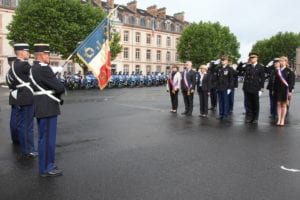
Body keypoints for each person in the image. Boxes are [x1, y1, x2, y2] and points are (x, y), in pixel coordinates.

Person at [30, 44, 65, 177]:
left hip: (41, 105)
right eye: (47, 54)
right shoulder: (44, 69)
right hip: (48, 106)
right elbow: (60, 88)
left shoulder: (34, 68)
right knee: (48, 139)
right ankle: (47, 167)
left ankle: (44, 166)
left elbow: (44, 83)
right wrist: (57, 80)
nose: (49, 56)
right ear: (41, 56)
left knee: (43, 138)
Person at [6, 43, 37, 158]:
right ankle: (28, 150)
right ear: (22, 52)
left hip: (20, 96)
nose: (28, 53)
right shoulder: (24, 65)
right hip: (27, 97)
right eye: (27, 51)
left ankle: (26, 148)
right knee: (28, 126)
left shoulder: (14, 65)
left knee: (23, 124)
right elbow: (37, 75)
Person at [239, 53, 265, 124]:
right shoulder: (248, 66)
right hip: (247, 87)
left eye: (253, 57)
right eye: (251, 58)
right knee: (248, 103)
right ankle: (250, 117)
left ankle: (255, 117)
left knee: (255, 103)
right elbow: (239, 69)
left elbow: (262, 79)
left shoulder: (260, 67)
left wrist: (261, 89)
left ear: (257, 58)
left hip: (255, 88)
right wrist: (242, 62)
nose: (252, 59)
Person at [273, 56, 295, 126]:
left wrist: (290, 91)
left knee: (284, 105)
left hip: (285, 90)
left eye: (283, 61)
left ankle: (282, 119)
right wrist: (273, 89)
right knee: (278, 104)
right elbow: (275, 82)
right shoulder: (278, 71)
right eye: (280, 61)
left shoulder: (289, 71)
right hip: (278, 90)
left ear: (286, 62)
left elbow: (291, 82)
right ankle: (279, 119)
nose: (281, 62)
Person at [5, 56, 19, 145]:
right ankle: (17, 138)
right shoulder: (15, 72)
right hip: (19, 95)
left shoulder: (8, 72)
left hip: (13, 96)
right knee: (18, 118)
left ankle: (14, 137)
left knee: (14, 118)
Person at [215, 55, 234, 120]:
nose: (222, 61)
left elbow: (231, 79)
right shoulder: (219, 68)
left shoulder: (230, 69)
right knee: (220, 101)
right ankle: (221, 114)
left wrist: (229, 88)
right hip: (219, 87)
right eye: (221, 60)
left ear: (227, 61)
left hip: (226, 88)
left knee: (225, 101)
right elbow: (217, 78)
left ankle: (225, 115)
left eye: (223, 60)